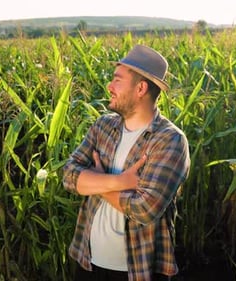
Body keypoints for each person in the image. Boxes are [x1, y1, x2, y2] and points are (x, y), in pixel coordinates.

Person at [62, 44, 190, 281]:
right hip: (87, 260)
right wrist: (121, 181)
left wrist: (95, 181)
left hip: (138, 271)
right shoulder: (103, 126)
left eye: (117, 80)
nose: (109, 86)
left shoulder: (170, 140)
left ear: (140, 88)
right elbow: (69, 176)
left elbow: (144, 209)